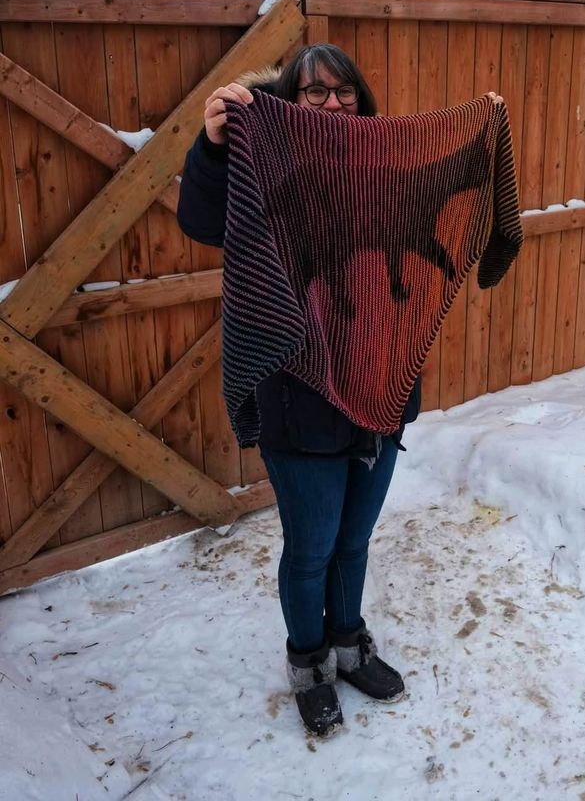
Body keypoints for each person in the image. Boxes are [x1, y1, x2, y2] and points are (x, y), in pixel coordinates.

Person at [177, 44, 421, 738]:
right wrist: (216, 145)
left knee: (354, 541)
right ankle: (308, 664)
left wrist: (478, 135)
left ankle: (349, 644)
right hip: (298, 394)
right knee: (311, 546)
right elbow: (200, 222)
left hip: (376, 386)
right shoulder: (263, 162)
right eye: (315, 93)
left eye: (344, 90)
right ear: (290, 98)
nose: (333, 104)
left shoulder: (377, 162)